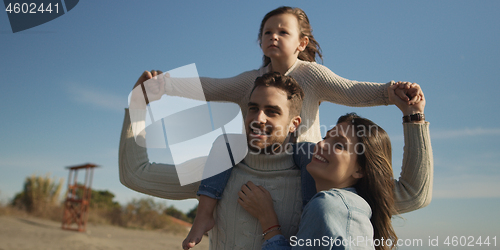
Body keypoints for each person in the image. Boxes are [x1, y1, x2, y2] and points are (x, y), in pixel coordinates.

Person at [177, 6, 422, 248]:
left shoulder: (313, 75)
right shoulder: (251, 80)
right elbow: (211, 87)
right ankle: (203, 214)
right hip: (261, 149)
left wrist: (389, 93)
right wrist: (167, 86)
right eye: (267, 32)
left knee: (306, 150)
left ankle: (309, 214)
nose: (273, 36)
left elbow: (351, 90)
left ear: (301, 43)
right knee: (226, 142)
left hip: (307, 153)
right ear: (260, 41)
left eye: (283, 32)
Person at [120, 72, 433, 250]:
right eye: (252, 107)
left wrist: (414, 118)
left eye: (272, 111)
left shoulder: (322, 183)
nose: (258, 118)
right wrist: (137, 104)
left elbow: (415, 193)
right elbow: (136, 174)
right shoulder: (215, 172)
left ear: (295, 123)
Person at [237, 84, 430, 250]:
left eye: (339, 145)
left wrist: (269, 222)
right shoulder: (351, 204)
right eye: (325, 137)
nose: (320, 145)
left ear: (360, 170)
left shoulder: (330, 205)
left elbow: (414, 192)